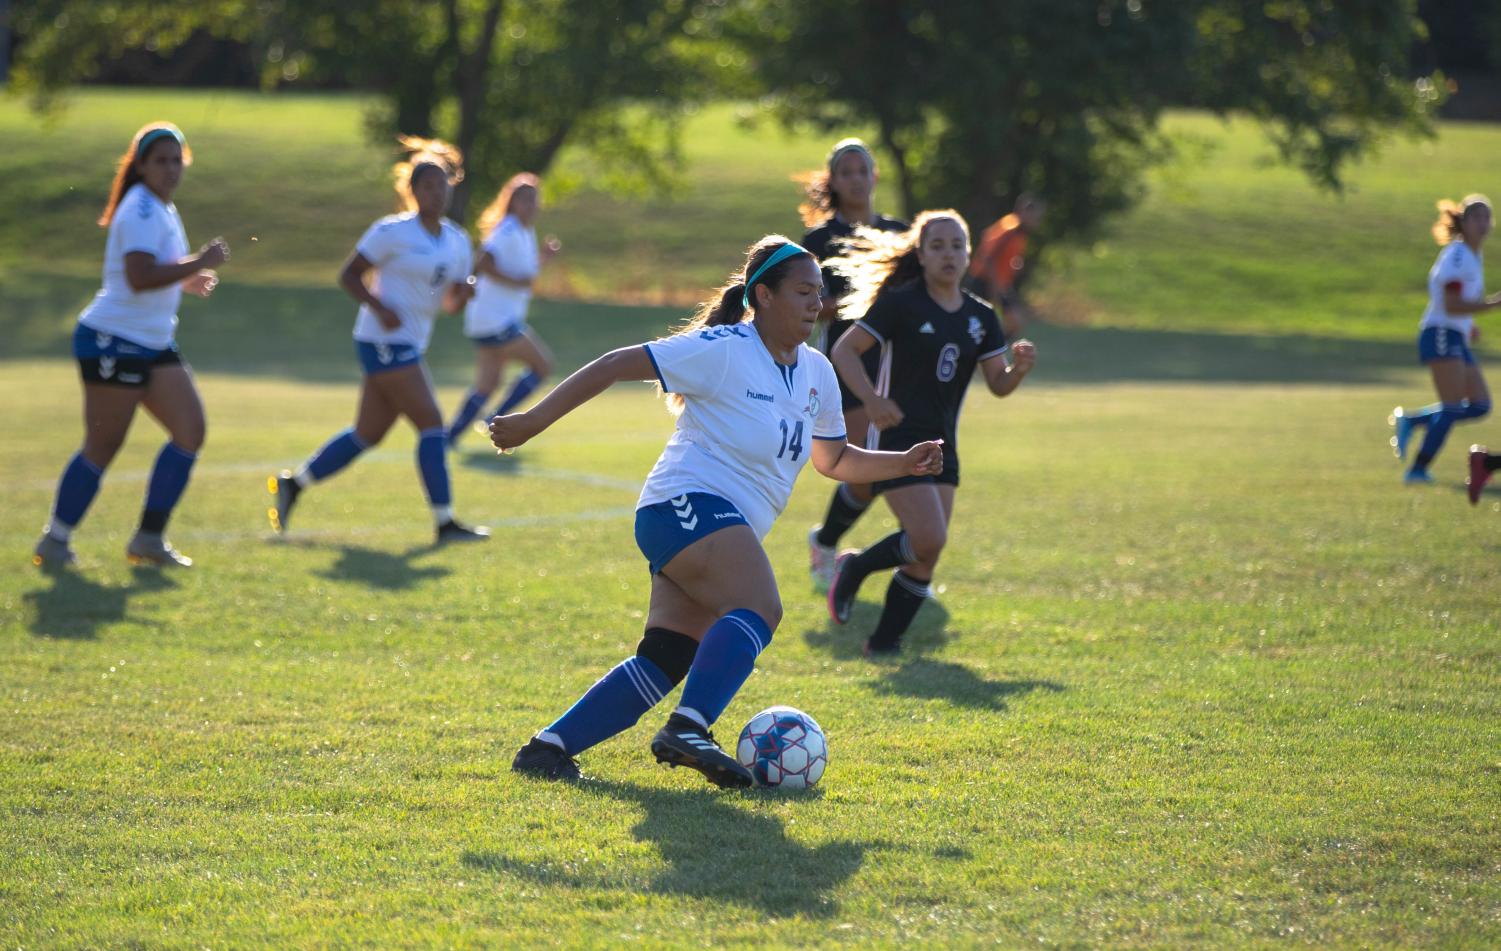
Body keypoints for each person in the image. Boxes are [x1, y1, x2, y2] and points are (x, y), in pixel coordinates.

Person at [494, 236, 944, 785]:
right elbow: (614, 364)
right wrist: (530, 422)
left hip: (709, 524)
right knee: (761, 606)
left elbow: (835, 459)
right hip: (682, 505)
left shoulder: (818, 372)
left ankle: (547, 749)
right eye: (803, 291)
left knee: (667, 655)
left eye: (819, 294)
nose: (816, 304)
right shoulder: (723, 348)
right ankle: (689, 726)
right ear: (764, 296)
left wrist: (905, 462)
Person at [825, 210, 1037, 656]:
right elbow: (845, 351)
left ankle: (883, 643)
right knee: (929, 538)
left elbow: (998, 385)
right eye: (937, 246)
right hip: (899, 438)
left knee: (927, 554)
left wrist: (1018, 370)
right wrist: (871, 399)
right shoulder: (902, 303)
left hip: (945, 443)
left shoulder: (981, 317)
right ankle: (856, 568)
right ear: (920, 255)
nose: (948, 254)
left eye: (956, 245)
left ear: (968, 255)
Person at [268, 137, 489, 544]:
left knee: (366, 434)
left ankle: (294, 484)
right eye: (427, 186)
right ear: (412, 190)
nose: (436, 193)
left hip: (411, 342)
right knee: (431, 423)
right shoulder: (391, 231)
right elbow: (348, 275)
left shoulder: (457, 240)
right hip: (381, 340)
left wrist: (465, 294)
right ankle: (445, 522)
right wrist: (379, 306)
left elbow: (451, 306)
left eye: (442, 185)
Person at [33, 122, 229, 569]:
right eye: (160, 160)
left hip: (152, 341)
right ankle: (56, 540)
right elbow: (139, 278)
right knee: (104, 444)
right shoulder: (140, 208)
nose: (170, 169)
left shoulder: (162, 207)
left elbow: (152, 269)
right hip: (112, 340)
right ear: (140, 166)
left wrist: (187, 277)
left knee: (190, 431)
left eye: (177, 160)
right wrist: (199, 260)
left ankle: (148, 539)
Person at [798, 138, 909, 592]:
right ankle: (827, 544)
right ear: (834, 181)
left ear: (875, 176)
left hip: (899, 366)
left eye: (862, 170)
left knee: (879, 472)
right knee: (865, 465)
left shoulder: (901, 235)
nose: (856, 179)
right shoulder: (819, 240)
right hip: (847, 364)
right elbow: (807, 302)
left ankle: (835, 542)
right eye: (846, 172)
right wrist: (853, 304)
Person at [445, 172, 562, 446]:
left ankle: (449, 437)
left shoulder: (524, 231)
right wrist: (514, 281)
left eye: (534, 200)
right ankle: (494, 420)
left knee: (486, 386)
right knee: (542, 366)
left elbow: (526, 273)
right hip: (495, 320)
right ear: (512, 202)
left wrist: (543, 257)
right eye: (524, 200)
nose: (531, 205)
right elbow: (482, 261)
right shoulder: (507, 229)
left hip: (490, 321)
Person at [1389, 195, 1499, 483]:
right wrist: (1492, 304)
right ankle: (1417, 470)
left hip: (1454, 335)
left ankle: (1412, 420)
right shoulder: (1459, 255)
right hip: (1439, 333)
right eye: (1477, 217)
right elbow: (1450, 305)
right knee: (1451, 407)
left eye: (1487, 217)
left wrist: (1470, 324)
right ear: (1463, 221)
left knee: (1480, 405)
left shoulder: (1473, 255)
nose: (1484, 223)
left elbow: (1458, 304)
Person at [968, 193, 1045, 341]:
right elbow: (988, 257)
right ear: (1024, 212)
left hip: (1001, 283)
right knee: (974, 321)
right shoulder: (1010, 228)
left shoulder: (1020, 233)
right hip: (984, 280)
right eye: (1035, 217)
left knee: (1016, 321)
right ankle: (988, 350)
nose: (1037, 222)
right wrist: (994, 286)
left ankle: (994, 349)